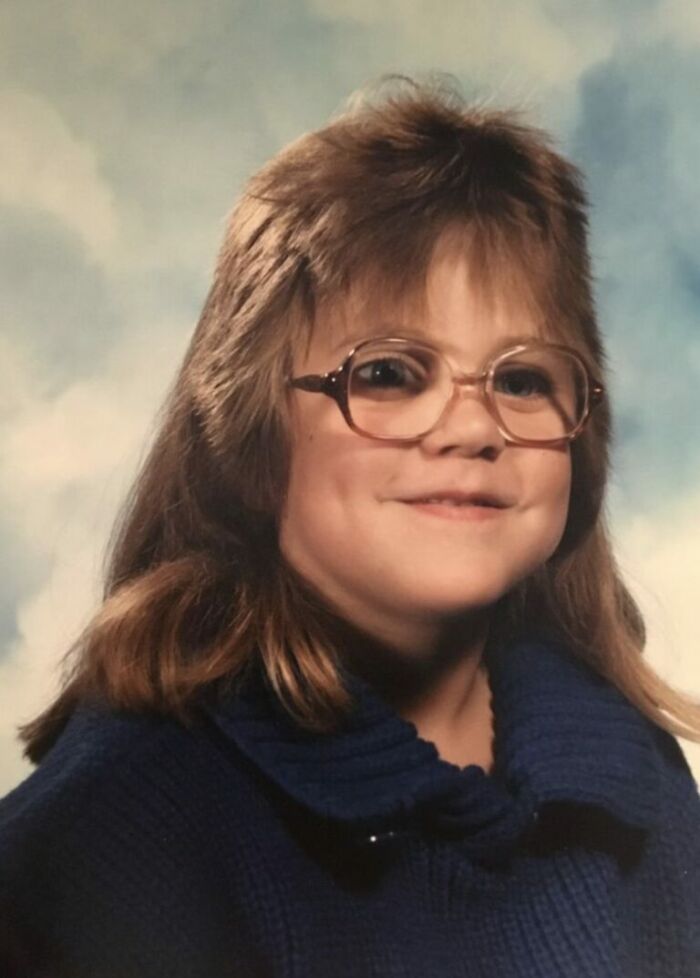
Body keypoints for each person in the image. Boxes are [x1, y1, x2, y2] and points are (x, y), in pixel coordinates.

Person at [1, 74, 699, 978]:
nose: (473, 428)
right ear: (251, 432)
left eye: (523, 380)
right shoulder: (116, 824)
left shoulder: (637, 775)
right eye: (389, 374)